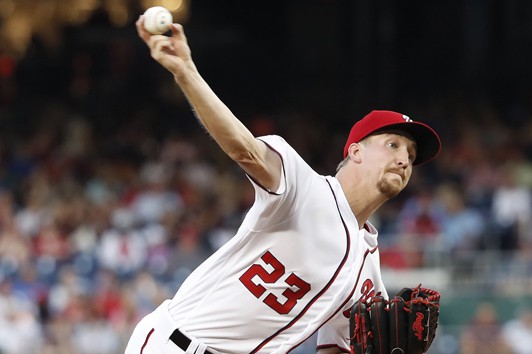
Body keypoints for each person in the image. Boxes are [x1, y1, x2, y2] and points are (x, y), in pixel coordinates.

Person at [125, 15, 441, 354]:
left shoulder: (368, 272)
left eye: (410, 154)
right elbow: (245, 150)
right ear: (356, 151)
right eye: (393, 145)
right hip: (179, 345)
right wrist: (186, 71)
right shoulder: (303, 189)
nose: (405, 159)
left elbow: (333, 348)